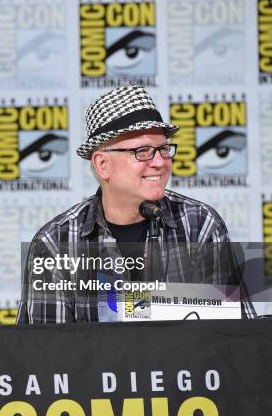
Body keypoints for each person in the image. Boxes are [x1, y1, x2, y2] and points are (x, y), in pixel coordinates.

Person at [17, 85, 254, 323]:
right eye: (142, 151)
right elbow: (48, 353)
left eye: (163, 149)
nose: (160, 162)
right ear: (102, 165)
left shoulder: (200, 224)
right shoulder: (55, 243)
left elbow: (234, 338)